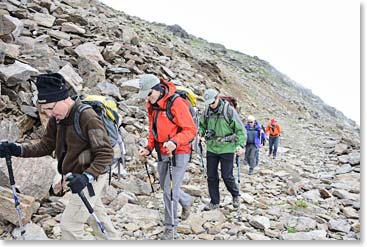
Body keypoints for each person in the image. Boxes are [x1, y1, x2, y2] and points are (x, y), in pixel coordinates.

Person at [0, 73, 120, 240]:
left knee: (69, 226)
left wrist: (87, 177)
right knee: (96, 218)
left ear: (64, 99)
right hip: (78, 178)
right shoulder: (58, 119)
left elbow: (105, 153)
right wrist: (17, 150)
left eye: (51, 108)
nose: (49, 114)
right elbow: (46, 145)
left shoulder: (88, 117)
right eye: (45, 110)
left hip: (91, 177)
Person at [137, 74, 196, 240]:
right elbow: (153, 129)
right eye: (146, 96)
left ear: (157, 88)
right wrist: (148, 147)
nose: (148, 99)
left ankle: (170, 228)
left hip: (179, 152)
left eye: (149, 94)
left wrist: (175, 142)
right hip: (162, 151)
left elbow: (190, 130)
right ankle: (186, 200)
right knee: (166, 187)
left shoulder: (176, 103)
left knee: (169, 191)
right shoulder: (152, 105)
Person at [199, 89, 245, 211]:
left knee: (227, 175)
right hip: (212, 147)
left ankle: (235, 195)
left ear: (218, 98)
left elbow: (240, 130)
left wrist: (240, 145)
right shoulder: (207, 111)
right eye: (208, 103)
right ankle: (214, 201)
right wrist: (200, 133)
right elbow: (202, 125)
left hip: (227, 147)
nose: (211, 105)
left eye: (212, 102)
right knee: (211, 176)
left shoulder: (228, 111)